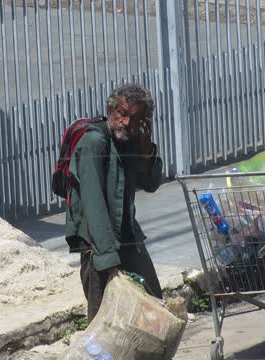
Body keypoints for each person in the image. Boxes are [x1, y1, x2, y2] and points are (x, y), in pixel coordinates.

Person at [65, 84, 164, 321]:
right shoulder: (94, 142)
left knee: (155, 309)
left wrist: (146, 148)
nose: (127, 123)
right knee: (105, 324)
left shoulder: (130, 141)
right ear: (111, 109)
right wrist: (109, 261)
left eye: (136, 118)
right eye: (123, 114)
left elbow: (150, 183)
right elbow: (94, 205)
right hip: (98, 248)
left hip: (128, 239)